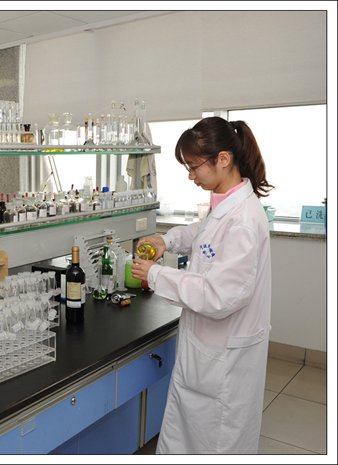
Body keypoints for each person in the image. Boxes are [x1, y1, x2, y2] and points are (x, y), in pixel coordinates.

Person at [132, 116, 274, 454]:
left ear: (223, 159)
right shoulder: (227, 204)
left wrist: (156, 275)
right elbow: (205, 234)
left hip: (223, 364)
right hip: (208, 355)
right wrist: (168, 240)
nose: (191, 176)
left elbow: (217, 296)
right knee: (191, 436)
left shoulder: (244, 220)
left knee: (215, 444)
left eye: (194, 167)